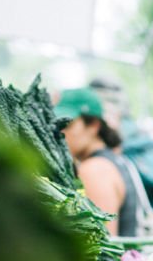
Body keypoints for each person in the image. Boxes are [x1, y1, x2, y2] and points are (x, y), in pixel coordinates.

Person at [55, 87, 138, 237]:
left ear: (94, 125)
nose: (60, 133)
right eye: (57, 126)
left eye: (66, 125)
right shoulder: (113, 159)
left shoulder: (94, 170)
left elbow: (103, 243)